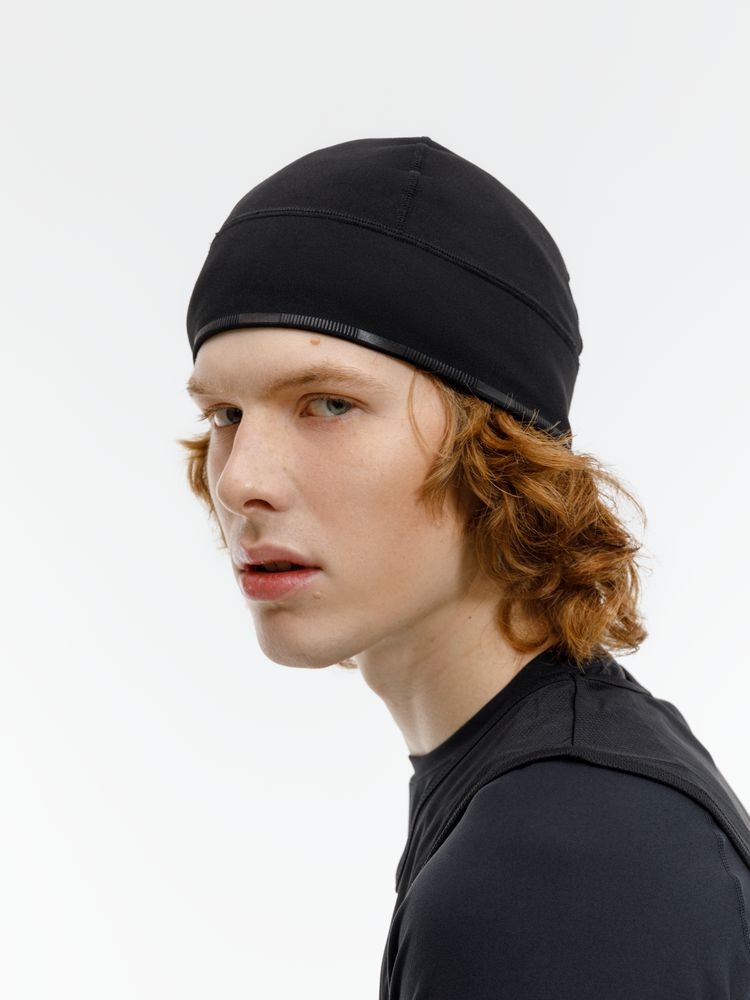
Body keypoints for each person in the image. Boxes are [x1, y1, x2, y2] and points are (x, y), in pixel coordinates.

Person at [178, 136, 750, 998]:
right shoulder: (548, 797)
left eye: (328, 404)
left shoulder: (563, 863)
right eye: (225, 413)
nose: (239, 481)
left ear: (498, 452)